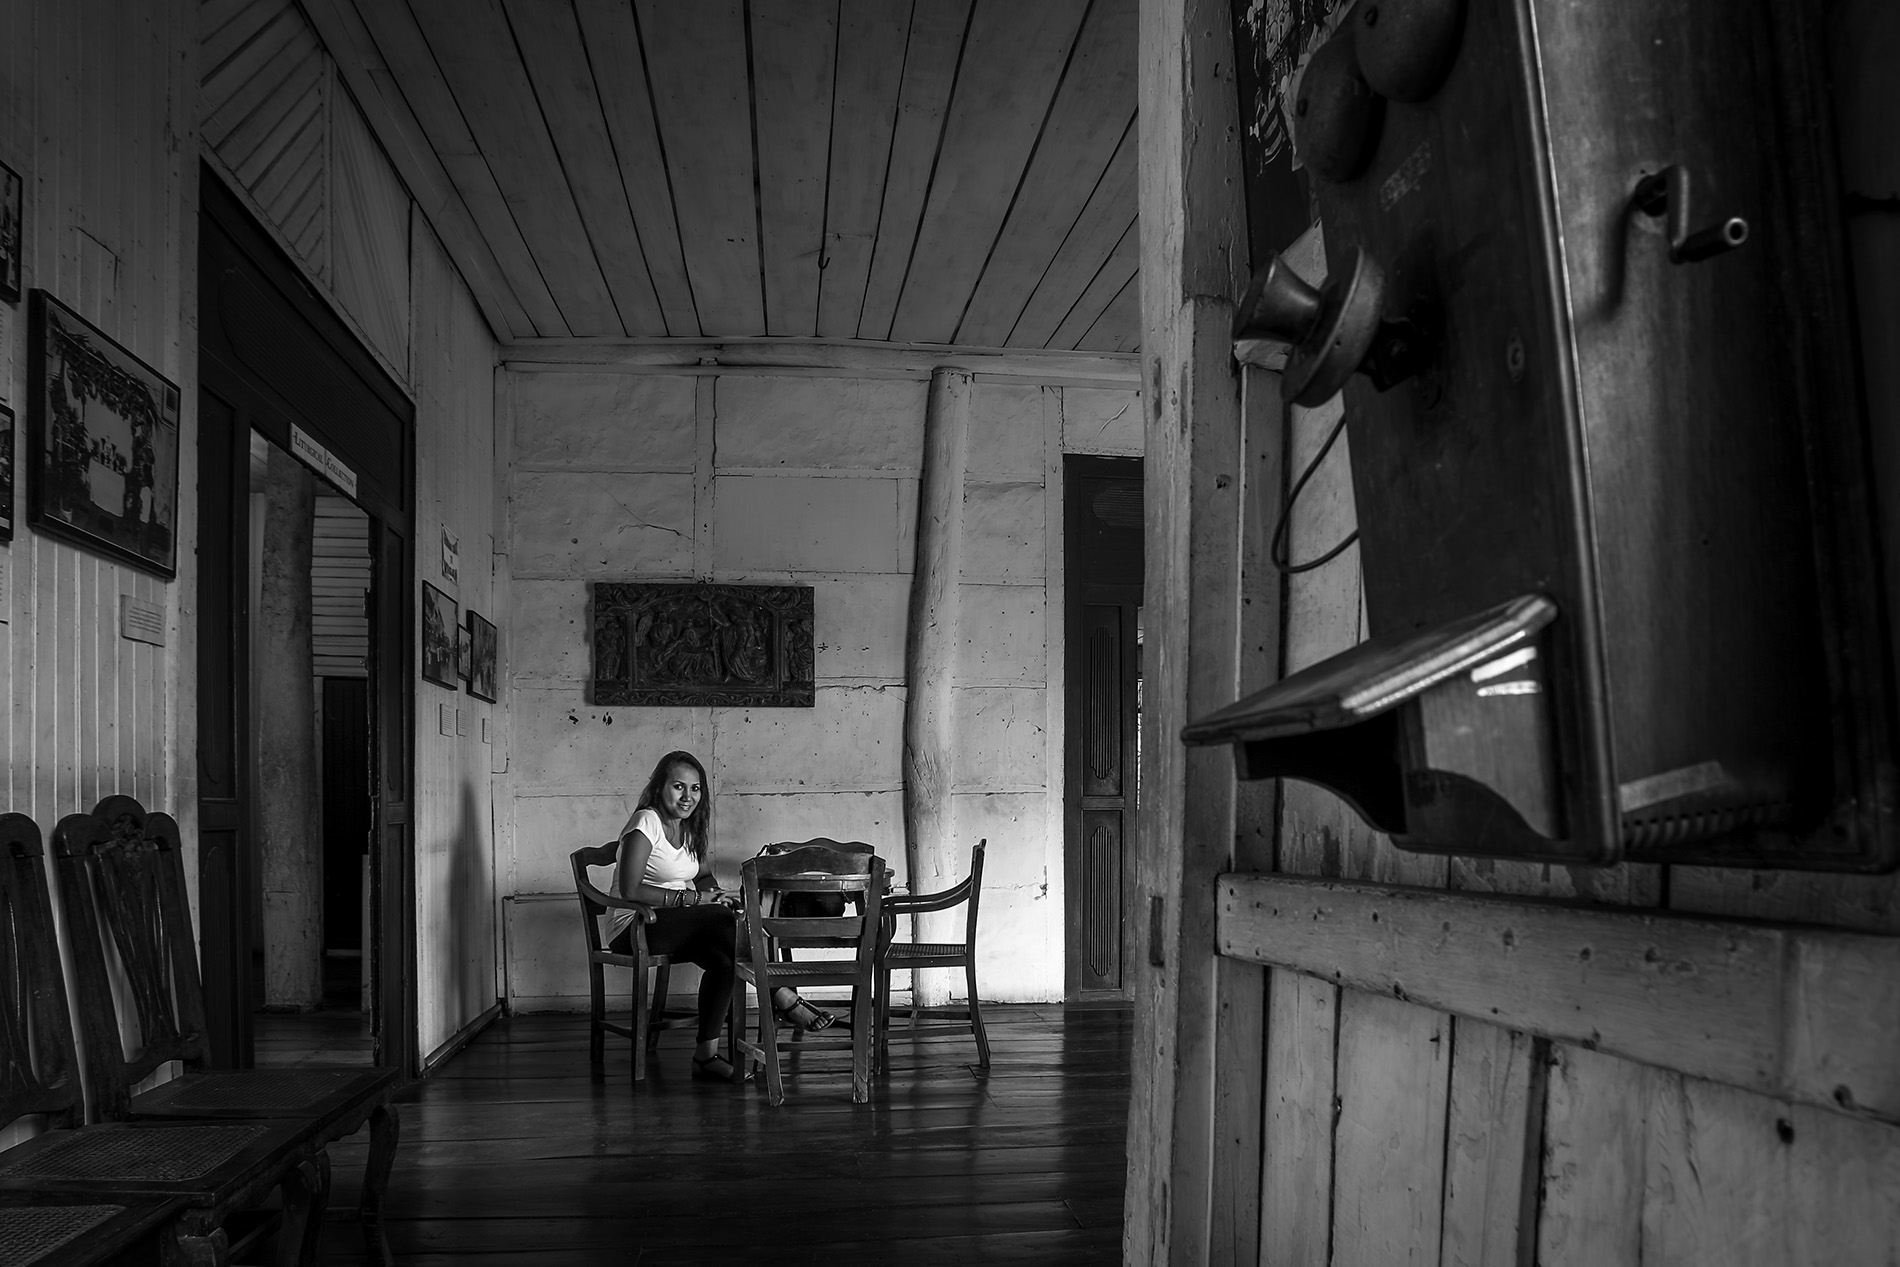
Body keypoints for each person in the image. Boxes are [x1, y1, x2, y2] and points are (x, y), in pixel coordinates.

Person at [606, 752, 834, 1082]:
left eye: (695, 788)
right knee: (723, 921)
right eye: (678, 787)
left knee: (725, 961)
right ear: (659, 787)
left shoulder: (689, 828)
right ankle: (783, 997)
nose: (688, 796)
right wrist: (696, 900)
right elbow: (630, 889)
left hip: (674, 924)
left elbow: (701, 877)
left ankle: (705, 1057)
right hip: (634, 926)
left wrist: (717, 894)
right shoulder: (646, 822)